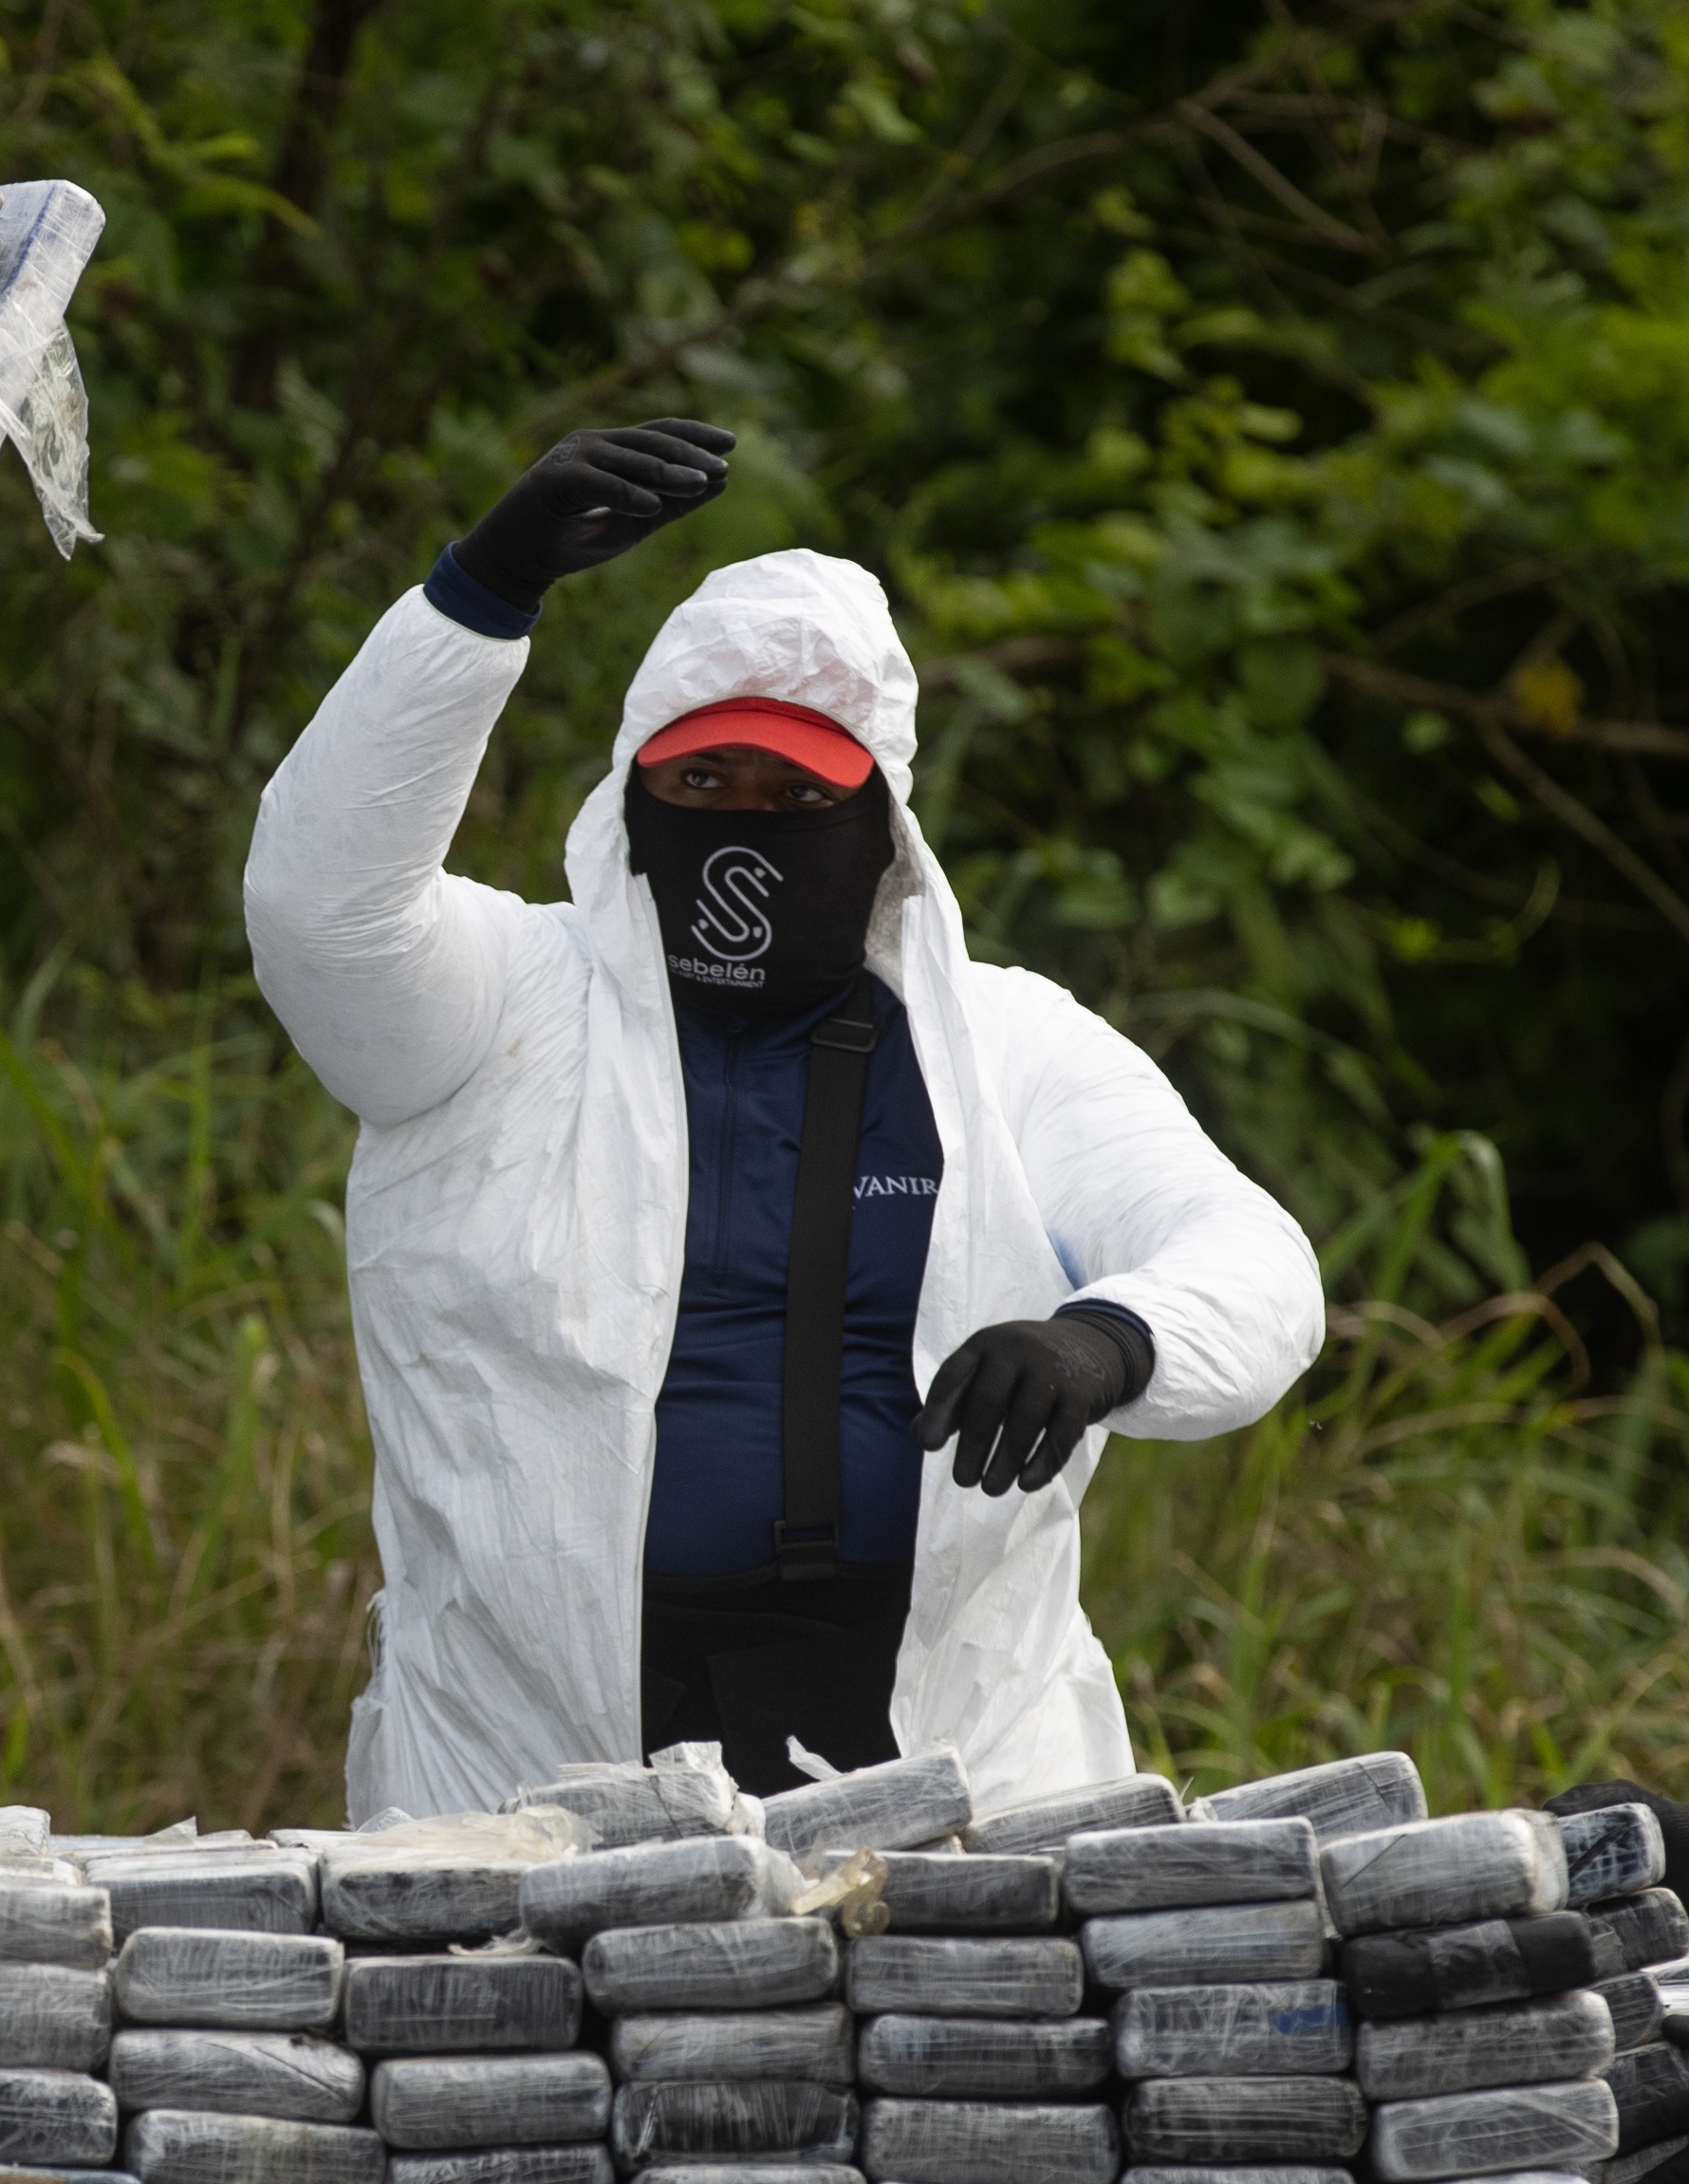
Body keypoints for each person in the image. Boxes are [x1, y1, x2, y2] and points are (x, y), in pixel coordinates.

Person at [242, 420, 1327, 1819]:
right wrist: (478, 596)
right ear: (633, 806)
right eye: (701, 785)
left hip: (964, 1778)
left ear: (881, 828)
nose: (743, 825)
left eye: (796, 796)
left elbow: (1254, 1259)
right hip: (523, 1792)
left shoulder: (1009, 1046)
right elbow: (314, 905)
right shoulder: (488, 1010)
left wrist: (1109, 1342)